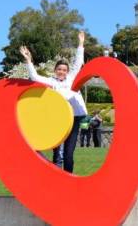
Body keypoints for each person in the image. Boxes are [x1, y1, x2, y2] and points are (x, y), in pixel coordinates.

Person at [19, 31, 88, 173]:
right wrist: (28, 60)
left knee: (69, 153)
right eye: (59, 69)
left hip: (74, 118)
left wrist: (81, 43)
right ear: (55, 70)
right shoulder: (51, 82)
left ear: (67, 71)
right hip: (59, 119)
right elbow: (34, 77)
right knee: (58, 153)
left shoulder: (71, 77)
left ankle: (69, 179)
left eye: (64, 69)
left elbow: (78, 61)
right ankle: (57, 180)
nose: (62, 72)